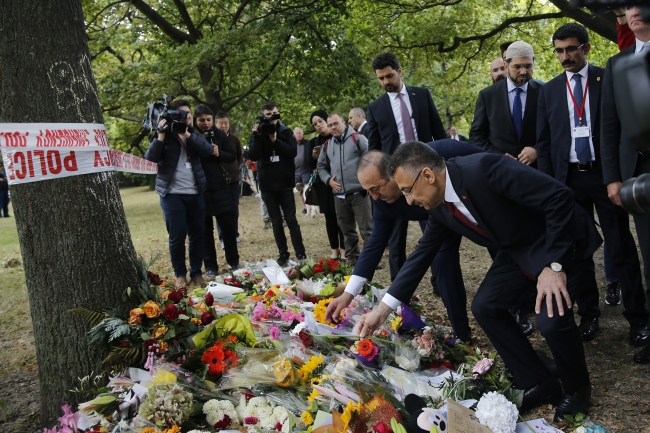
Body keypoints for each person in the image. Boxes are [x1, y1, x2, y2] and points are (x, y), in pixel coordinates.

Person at [357, 142, 602, 422]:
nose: (409, 201)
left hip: (560, 243)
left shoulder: (485, 169)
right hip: (519, 251)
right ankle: (538, 381)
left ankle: (577, 389)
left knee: (551, 319)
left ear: (427, 175)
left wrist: (554, 265)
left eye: (407, 190)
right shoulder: (439, 207)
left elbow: (559, 197)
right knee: (486, 305)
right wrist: (381, 310)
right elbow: (420, 256)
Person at [537, 22, 649, 343]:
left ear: (585, 48)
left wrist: (618, 173)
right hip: (567, 181)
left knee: (621, 245)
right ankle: (589, 314)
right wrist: (550, 186)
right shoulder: (550, 90)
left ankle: (638, 317)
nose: (565, 56)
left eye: (571, 48)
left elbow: (621, 128)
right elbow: (544, 142)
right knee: (577, 251)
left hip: (604, 175)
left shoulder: (607, 79)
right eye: (559, 50)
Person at [326, 140, 485, 341]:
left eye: (377, 188)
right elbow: (374, 244)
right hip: (437, 221)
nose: (374, 197)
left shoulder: (421, 159)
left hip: (455, 204)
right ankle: (462, 332)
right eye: (369, 191)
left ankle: (518, 306)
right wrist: (348, 295)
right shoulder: (382, 201)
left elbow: (468, 153)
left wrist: (497, 156)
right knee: (442, 262)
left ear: (394, 175)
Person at [365, 52, 447, 282]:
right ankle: (399, 291)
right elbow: (374, 150)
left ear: (400, 71)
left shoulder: (421, 95)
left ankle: (439, 282)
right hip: (394, 183)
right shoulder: (376, 108)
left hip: (426, 177)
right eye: (380, 78)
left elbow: (438, 133)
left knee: (434, 233)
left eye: (389, 76)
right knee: (395, 239)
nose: (386, 82)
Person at [601, 5, 650, 363]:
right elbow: (609, 126)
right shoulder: (617, 64)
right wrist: (613, 177)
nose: (632, 12)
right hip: (637, 176)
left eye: (639, 4)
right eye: (626, 7)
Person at [145, 99, 214, 287]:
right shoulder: (165, 136)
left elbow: (208, 150)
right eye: (183, 114)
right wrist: (160, 135)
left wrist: (187, 134)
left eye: (189, 114)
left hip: (195, 192)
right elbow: (150, 159)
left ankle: (196, 273)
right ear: (174, 115)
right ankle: (180, 274)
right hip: (172, 194)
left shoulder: (194, 134)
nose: (188, 117)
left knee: (198, 234)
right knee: (177, 235)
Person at [248, 101, 306, 266]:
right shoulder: (258, 132)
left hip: (285, 183)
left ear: (278, 113)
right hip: (267, 184)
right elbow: (254, 155)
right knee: (276, 222)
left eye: (274, 113)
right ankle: (283, 255)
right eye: (268, 115)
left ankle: (300, 254)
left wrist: (275, 140)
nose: (272, 117)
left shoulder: (286, 131)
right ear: (263, 116)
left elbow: (292, 152)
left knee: (291, 220)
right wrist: (258, 136)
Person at [470, 41, 541, 165]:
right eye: (517, 67)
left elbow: (556, 130)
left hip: (539, 170)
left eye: (528, 66)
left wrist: (537, 149)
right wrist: (498, 157)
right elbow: (477, 136)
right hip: (501, 171)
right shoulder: (488, 95)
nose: (523, 71)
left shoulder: (544, 92)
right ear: (506, 65)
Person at [317, 112, 372, 265]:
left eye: (336, 123)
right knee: (347, 230)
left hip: (359, 193)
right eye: (330, 125)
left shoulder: (358, 139)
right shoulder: (327, 145)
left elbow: (370, 160)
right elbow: (321, 166)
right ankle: (353, 257)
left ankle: (370, 259)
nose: (333, 127)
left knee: (366, 229)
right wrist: (328, 180)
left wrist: (364, 180)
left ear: (344, 123)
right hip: (339, 195)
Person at [194, 105, 240, 277]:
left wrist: (219, 152)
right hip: (201, 189)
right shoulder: (191, 135)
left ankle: (234, 261)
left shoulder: (218, 135)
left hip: (220, 187)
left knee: (228, 228)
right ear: (195, 120)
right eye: (201, 120)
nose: (206, 123)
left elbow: (232, 156)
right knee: (205, 231)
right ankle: (211, 266)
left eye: (208, 120)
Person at [310, 110, 346, 260]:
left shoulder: (337, 137)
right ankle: (334, 249)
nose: (318, 125)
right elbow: (309, 165)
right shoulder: (313, 142)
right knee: (329, 218)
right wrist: (314, 157)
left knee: (342, 217)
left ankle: (345, 249)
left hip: (339, 182)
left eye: (320, 121)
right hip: (323, 185)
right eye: (314, 124)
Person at [215, 111, 244, 244]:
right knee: (221, 210)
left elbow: (239, 157)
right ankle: (223, 238)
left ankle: (234, 235)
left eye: (226, 123)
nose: (223, 125)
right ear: (215, 124)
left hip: (233, 180)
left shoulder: (235, 139)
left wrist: (234, 169)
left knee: (234, 209)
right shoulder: (213, 139)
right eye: (220, 123)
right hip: (218, 181)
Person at [294, 127, 312, 215]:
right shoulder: (292, 144)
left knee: (307, 190)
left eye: (300, 133)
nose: (298, 135)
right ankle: (305, 207)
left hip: (306, 170)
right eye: (297, 133)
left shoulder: (308, 143)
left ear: (303, 134)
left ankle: (310, 206)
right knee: (300, 191)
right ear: (294, 135)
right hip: (296, 172)